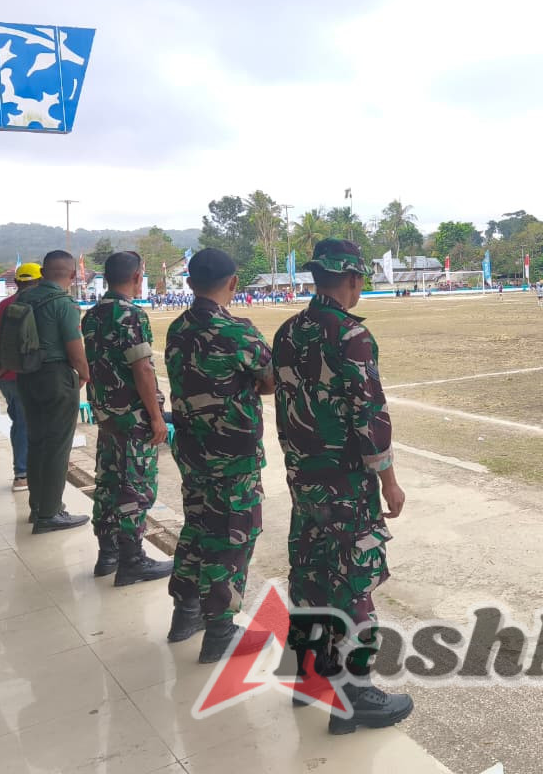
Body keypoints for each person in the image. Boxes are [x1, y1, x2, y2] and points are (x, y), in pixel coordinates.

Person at [274, 239, 412, 735]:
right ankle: (356, 695)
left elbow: (285, 410)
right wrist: (389, 481)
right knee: (352, 581)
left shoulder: (288, 332)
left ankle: (308, 678)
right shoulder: (350, 335)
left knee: (310, 572)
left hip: (303, 478)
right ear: (353, 280)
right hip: (346, 484)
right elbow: (369, 417)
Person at [165, 248, 275, 662]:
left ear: (190, 283)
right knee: (231, 536)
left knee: (197, 527)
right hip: (232, 455)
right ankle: (220, 631)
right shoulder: (236, 331)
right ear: (233, 283)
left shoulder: (178, 328)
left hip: (192, 449)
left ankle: (185, 613)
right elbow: (269, 379)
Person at [82, 251, 174, 585]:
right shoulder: (130, 315)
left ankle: (107, 553)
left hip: (107, 415)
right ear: (137, 276)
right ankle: (132, 559)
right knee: (135, 487)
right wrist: (156, 417)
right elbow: (142, 368)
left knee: (108, 482)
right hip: (132, 417)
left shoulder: (92, 315)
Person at [15, 251, 89, 533]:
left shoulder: (24, 298)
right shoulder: (63, 303)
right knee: (58, 446)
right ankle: (50, 513)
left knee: (36, 442)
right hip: (56, 376)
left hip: (26, 376)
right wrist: (84, 374)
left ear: (43, 273)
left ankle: (38, 506)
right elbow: (74, 347)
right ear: (72, 275)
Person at [0, 263, 40, 491]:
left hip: (5, 376)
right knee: (26, 423)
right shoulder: (34, 304)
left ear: (16, 282)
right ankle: (23, 473)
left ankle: (28, 469)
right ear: (39, 281)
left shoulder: (2, 306)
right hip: (25, 375)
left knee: (20, 420)